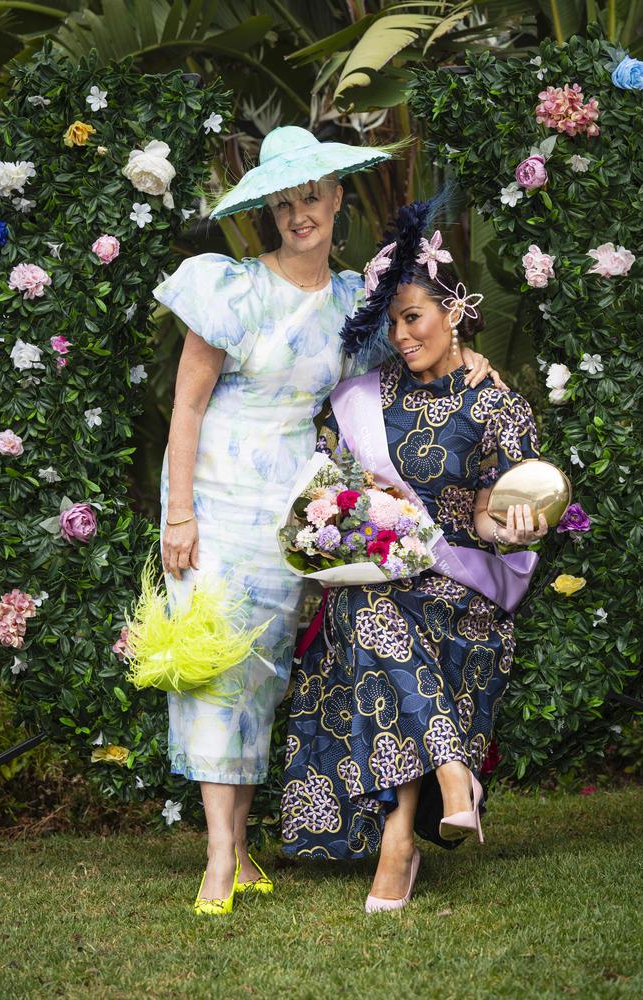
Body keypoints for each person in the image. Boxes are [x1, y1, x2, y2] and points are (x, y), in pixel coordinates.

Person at [152, 130, 500, 916]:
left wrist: (475, 363)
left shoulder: (352, 302)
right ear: (270, 213)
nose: (299, 213)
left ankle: (240, 854)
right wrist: (179, 514)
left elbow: (417, 349)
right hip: (215, 500)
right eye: (284, 203)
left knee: (262, 676)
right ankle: (217, 859)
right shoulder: (231, 290)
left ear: (337, 199)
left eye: (311, 196)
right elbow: (188, 405)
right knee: (216, 669)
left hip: (300, 513)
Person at [281, 201, 548, 913]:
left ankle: (403, 841)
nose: (399, 336)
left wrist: (515, 527)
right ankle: (446, 787)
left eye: (414, 318)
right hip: (381, 583)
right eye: (392, 322)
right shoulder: (364, 398)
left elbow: (493, 522)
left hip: (463, 593)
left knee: (377, 621)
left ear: (455, 310)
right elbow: (321, 490)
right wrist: (348, 507)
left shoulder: (499, 408)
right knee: (369, 606)